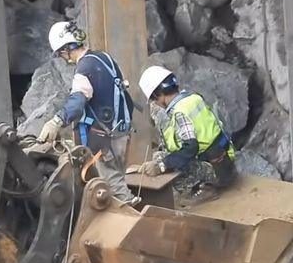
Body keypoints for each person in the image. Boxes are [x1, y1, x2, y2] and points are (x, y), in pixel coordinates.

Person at [35, 21, 139, 207]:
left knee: (113, 189)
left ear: (67, 48)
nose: (63, 58)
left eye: (61, 53)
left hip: (105, 140)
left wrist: (56, 121)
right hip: (123, 132)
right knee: (117, 179)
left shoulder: (84, 69)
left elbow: (77, 103)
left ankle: (136, 220)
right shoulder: (103, 57)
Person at [135, 66, 237, 207]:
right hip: (225, 160)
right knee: (163, 156)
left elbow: (190, 149)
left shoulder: (180, 112)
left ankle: (208, 188)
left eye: (153, 100)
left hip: (218, 171)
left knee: (166, 164)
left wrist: (161, 166)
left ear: (158, 95)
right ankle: (207, 182)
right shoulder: (193, 98)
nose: (155, 104)